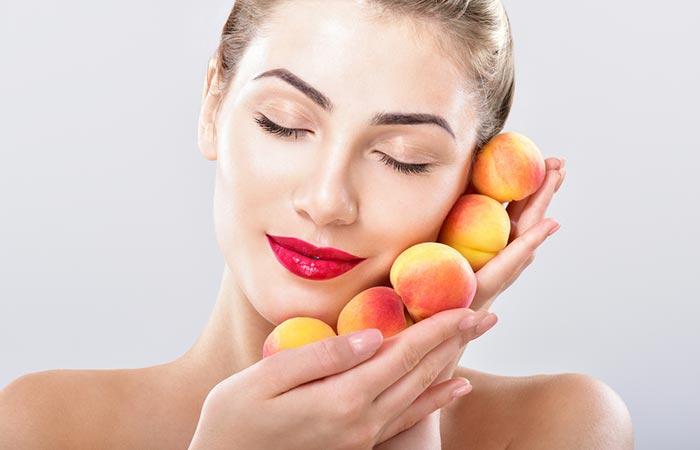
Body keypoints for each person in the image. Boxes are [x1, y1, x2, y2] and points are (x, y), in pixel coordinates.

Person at [0, 0, 634, 448]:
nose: (328, 200)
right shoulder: (40, 428)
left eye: (401, 159)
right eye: (283, 124)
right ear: (213, 105)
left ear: (471, 184)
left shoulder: (559, 427)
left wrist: (412, 407)